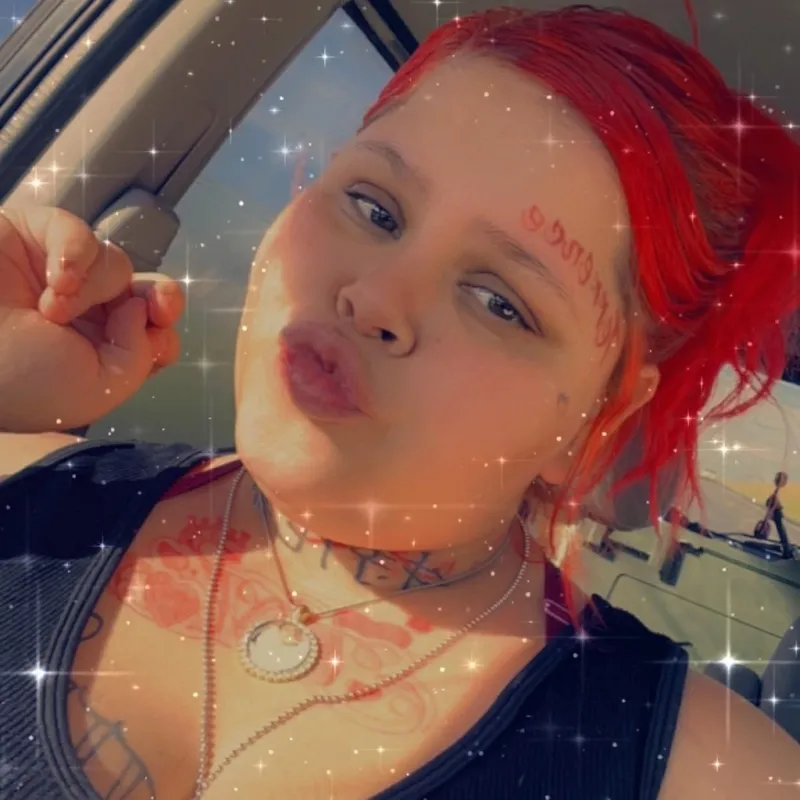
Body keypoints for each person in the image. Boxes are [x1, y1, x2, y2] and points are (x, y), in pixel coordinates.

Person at [0, 5, 798, 799]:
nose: (376, 297)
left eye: (500, 302)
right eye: (374, 208)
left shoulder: (713, 771)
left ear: (599, 417)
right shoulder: (31, 480)